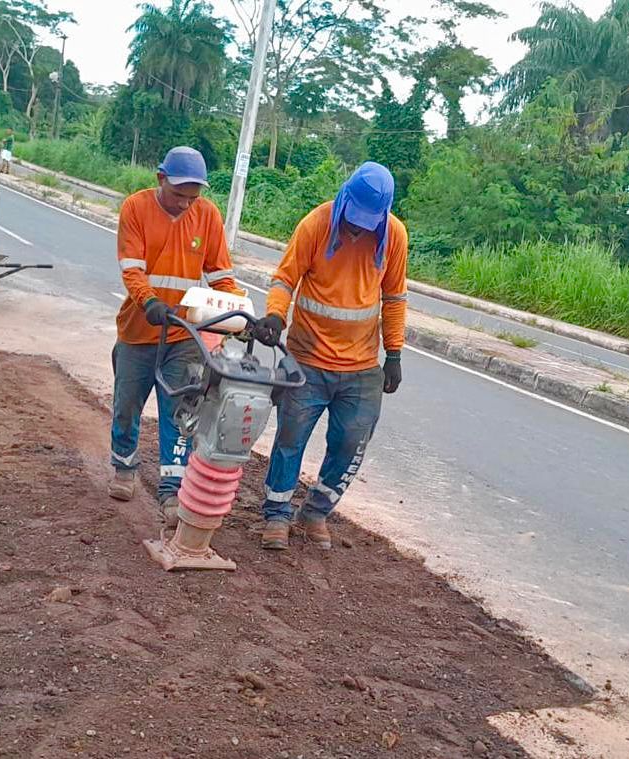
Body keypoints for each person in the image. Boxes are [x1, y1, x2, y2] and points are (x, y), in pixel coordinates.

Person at [250, 161, 408, 551]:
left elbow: (394, 297)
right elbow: (286, 278)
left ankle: (316, 512)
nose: (356, 229)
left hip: (361, 365)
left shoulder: (395, 236)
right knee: (291, 438)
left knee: (351, 441)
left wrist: (395, 352)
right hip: (307, 357)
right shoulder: (316, 224)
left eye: (367, 223)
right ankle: (277, 514)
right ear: (343, 199)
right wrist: (275, 314)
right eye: (353, 220)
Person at [109, 146, 245, 526]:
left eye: (193, 198)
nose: (186, 205)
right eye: (178, 195)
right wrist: (149, 301)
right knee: (127, 404)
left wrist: (237, 314)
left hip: (185, 335)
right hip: (140, 329)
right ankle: (123, 466)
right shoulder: (135, 209)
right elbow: (132, 269)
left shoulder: (207, 216)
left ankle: (172, 491)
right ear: (160, 179)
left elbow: (220, 276)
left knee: (179, 412)